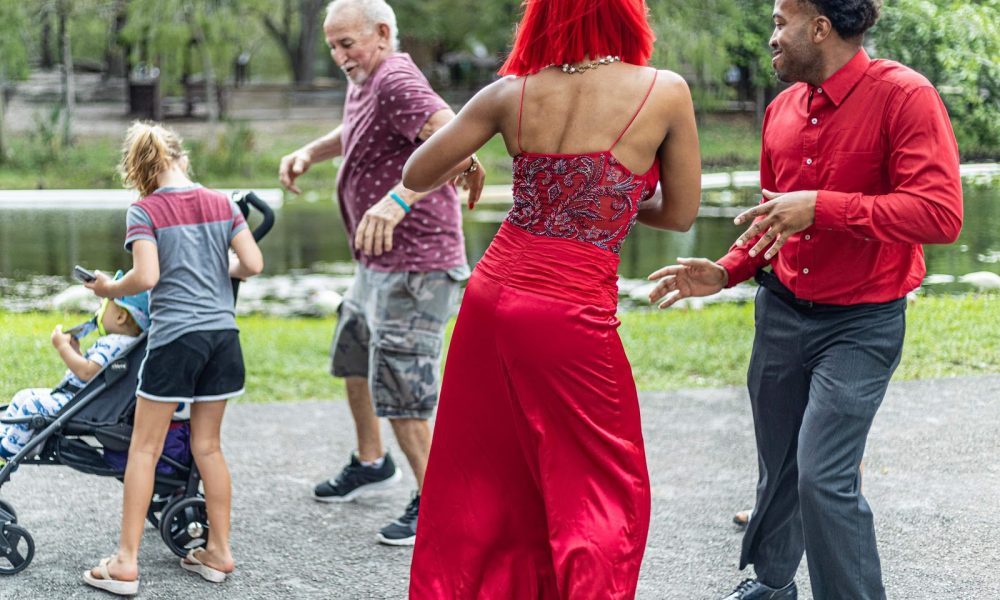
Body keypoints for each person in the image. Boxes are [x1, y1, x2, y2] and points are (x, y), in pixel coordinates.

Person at [648, 0, 963, 598]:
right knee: (781, 469)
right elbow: (773, 222)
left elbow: (941, 213)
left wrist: (823, 206)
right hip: (782, 312)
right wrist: (725, 270)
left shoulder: (905, 96)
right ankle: (771, 583)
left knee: (823, 476)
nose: (771, 37)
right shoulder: (782, 109)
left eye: (778, 23)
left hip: (862, 323)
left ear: (818, 28)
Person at [401, 0, 701, 595]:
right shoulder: (664, 91)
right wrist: (605, 204)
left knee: (487, 473)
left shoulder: (508, 94)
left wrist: (466, 162)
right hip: (569, 303)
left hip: (492, 295)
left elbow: (415, 174)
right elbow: (680, 212)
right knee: (603, 479)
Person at [277, 0, 485, 546]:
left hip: (416, 265)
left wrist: (400, 197)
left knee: (401, 389)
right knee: (354, 356)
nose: (339, 56)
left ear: (383, 33)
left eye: (347, 43)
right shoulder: (369, 78)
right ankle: (372, 462)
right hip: (376, 266)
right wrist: (312, 151)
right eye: (332, 46)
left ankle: (440, 503)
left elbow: (456, 138)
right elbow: (359, 129)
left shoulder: (395, 77)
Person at [82, 121, 263, 596]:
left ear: (141, 173)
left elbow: (145, 276)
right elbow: (253, 264)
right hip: (224, 339)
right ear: (182, 159)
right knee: (209, 447)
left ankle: (125, 562)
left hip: (176, 339)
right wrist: (215, 267)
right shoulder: (223, 202)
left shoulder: (145, 210)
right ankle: (219, 552)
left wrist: (107, 288)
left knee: (145, 449)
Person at [0, 289, 149, 468]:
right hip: (80, 397)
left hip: (79, 403)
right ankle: (10, 441)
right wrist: (76, 352)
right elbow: (94, 373)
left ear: (120, 317)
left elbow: (86, 372)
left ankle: (7, 452)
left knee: (30, 405)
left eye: (103, 306)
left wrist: (63, 348)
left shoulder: (115, 343)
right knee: (23, 396)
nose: (97, 310)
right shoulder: (124, 345)